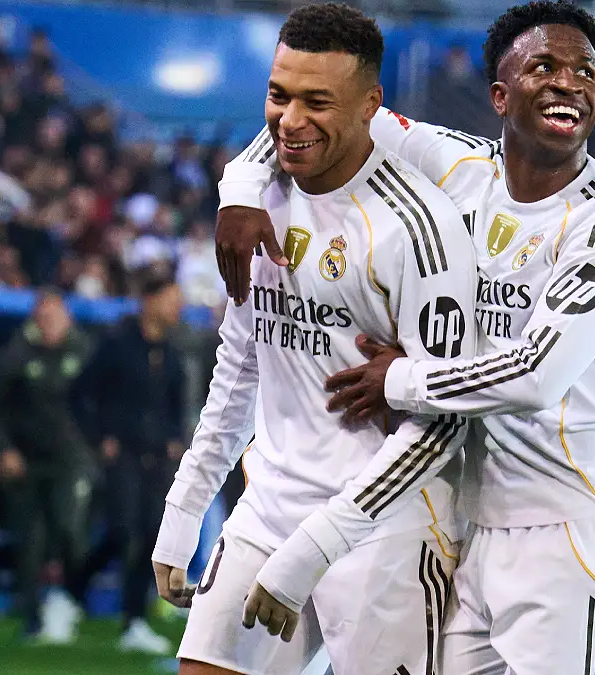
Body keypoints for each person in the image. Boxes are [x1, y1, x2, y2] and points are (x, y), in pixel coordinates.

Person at [213, 2, 595, 673]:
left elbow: (536, 375)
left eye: (586, 72)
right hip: (475, 530)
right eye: (544, 64)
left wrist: (399, 379)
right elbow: (321, 116)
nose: (570, 81)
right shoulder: (458, 164)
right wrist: (243, 187)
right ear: (499, 93)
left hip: (576, 533)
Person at [151, 4, 477, 675]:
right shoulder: (257, 202)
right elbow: (241, 364)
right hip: (267, 508)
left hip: (383, 525)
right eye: (278, 94)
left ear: (370, 106)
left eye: (317, 101)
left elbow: (445, 424)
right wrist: (185, 507)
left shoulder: (420, 229)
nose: (289, 121)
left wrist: (318, 544)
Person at [80, 268, 188, 654]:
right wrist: (100, 437)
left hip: (157, 457)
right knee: (124, 532)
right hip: (122, 453)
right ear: (151, 300)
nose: (180, 307)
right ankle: (75, 586)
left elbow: (176, 402)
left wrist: (176, 438)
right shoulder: (116, 343)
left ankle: (134, 620)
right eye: (173, 298)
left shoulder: (172, 352)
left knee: (148, 536)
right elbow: (81, 392)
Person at [0, 290, 96, 643]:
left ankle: (72, 598)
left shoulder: (85, 354)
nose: (49, 325)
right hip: (27, 462)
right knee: (30, 539)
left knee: (69, 529)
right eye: (43, 318)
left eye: (55, 317)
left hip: (71, 459)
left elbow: (104, 401)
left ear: (68, 319)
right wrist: (4, 450)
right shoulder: (15, 356)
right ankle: (32, 615)